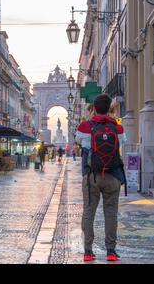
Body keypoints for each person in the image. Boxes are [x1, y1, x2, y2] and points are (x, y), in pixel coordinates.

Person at [75, 94, 127, 263]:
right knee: (110, 212)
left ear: (94, 108)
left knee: (89, 212)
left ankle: (88, 251)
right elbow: (122, 143)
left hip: (91, 176)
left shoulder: (84, 127)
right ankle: (111, 251)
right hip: (112, 175)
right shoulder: (117, 128)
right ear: (110, 109)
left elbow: (79, 142)